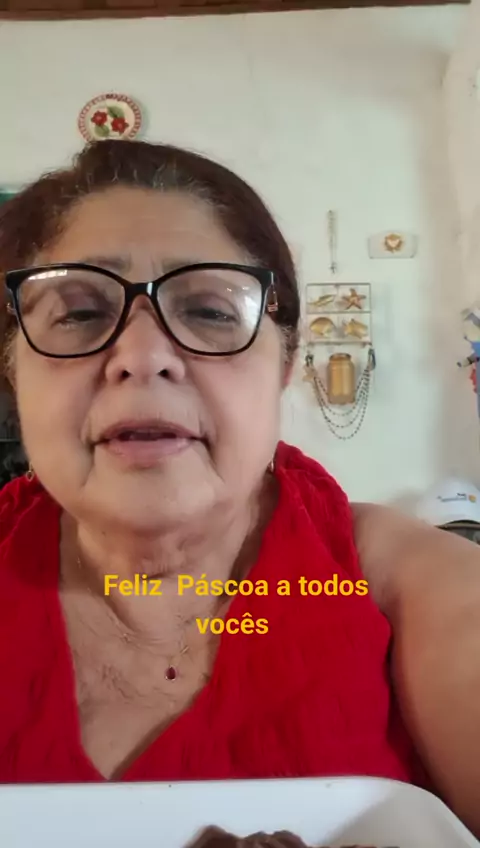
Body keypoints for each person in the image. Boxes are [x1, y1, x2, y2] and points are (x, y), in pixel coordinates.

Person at [0, 140, 479, 834]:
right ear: (14, 370)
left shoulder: (405, 584)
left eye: (210, 310)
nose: (143, 357)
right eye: (78, 314)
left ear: (285, 364)